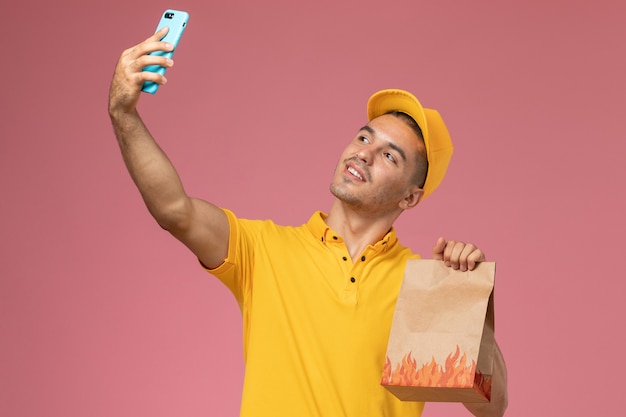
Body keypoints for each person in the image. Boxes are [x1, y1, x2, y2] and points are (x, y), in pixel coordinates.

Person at [108, 27, 508, 417]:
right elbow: (174, 210)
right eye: (364, 138)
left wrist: (467, 302)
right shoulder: (262, 250)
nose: (363, 154)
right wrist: (122, 114)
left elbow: (491, 409)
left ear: (410, 196)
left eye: (390, 156)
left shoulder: (421, 287)